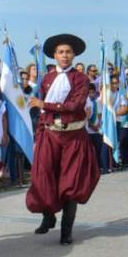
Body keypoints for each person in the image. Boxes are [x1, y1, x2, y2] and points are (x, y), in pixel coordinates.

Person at [26, 34, 101, 245]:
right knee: (43, 177)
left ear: (73, 54)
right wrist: (39, 134)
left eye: (68, 52)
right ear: (55, 55)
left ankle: (66, 230)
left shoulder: (81, 79)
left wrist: (45, 105)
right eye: (61, 52)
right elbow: (43, 114)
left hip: (74, 137)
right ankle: (48, 216)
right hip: (49, 134)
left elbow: (75, 106)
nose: (64, 55)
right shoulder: (47, 79)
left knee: (71, 183)